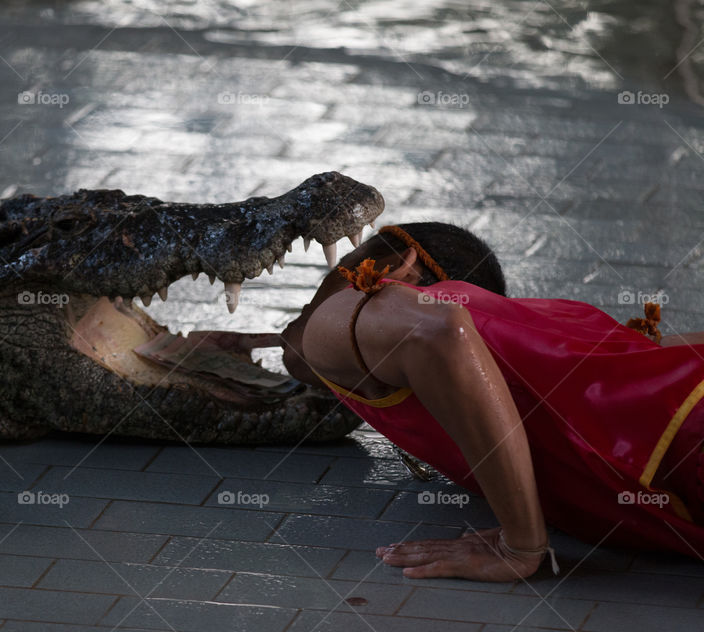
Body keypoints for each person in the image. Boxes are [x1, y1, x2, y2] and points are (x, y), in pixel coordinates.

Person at [279, 222, 704, 582]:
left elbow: (437, 330)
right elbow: (656, 355)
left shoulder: (348, 315)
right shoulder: (547, 325)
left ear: (394, 270)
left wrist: (519, 544)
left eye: (347, 265)